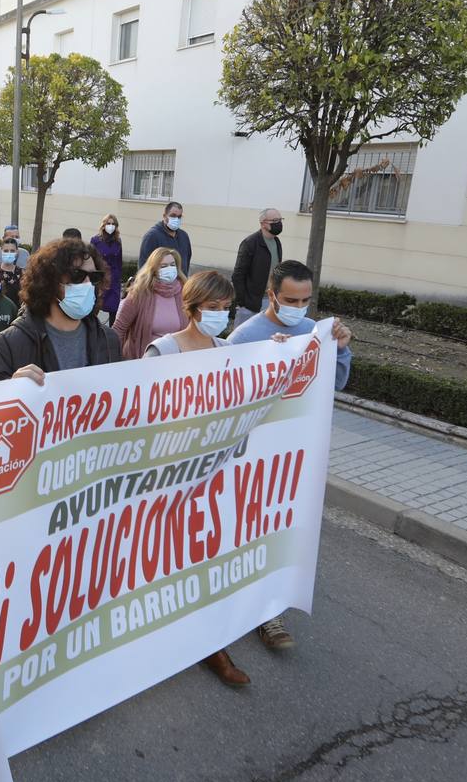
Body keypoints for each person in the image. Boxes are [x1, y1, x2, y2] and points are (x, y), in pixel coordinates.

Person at [228, 259, 353, 651]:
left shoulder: (314, 333)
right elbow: (227, 395)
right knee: (241, 532)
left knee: (275, 532)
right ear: (271, 295)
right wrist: (268, 361)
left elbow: (334, 383)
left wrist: (341, 350)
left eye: (305, 300)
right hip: (248, 457)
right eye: (290, 299)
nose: (298, 307)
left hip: (290, 462)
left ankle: (269, 609)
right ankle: (230, 603)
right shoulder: (246, 336)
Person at [139, 271, 252, 685]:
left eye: (226, 309)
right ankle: (152, 638)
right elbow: (139, 412)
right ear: (192, 307)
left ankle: (212, 646)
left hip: (213, 478)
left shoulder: (227, 349)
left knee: (207, 561)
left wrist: (282, 356)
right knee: (159, 562)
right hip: (165, 478)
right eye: (213, 308)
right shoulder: (162, 352)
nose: (220, 316)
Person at [0, 238, 122, 385]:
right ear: (49, 281)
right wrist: (11, 388)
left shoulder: (109, 340)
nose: (88, 284)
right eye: (77, 276)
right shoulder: (9, 343)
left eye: (94, 277)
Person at [112, 248, 187, 361]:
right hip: (141, 361)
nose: (169, 269)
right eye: (163, 266)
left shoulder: (184, 292)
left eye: (172, 264)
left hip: (174, 363)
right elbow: (118, 329)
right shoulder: (139, 293)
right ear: (154, 269)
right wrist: (115, 361)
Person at [230, 208, 284, 327]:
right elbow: (238, 275)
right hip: (250, 304)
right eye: (275, 220)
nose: (279, 223)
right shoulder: (250, 243)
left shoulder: (277, 242)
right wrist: (243, 302)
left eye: (280, 220)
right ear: (263, 223)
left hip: (269, 301)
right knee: (242, 341)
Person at [138, 201, 192, 275]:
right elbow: (143, 267)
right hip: (159, 285)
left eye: (179, 217)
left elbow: (187, 262)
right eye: (173, 216)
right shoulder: (152, 236)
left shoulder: (184, 236)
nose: (176, 219)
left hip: (180, 285)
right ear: (164, 216)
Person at [90, 214, 124, 320]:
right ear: (104, 225)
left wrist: (119, 277)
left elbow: (119, 261)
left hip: (114, 279)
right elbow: (91, 260)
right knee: (95, 306)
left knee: (114, 309)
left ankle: (112, 332)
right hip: (100, 278)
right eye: (108, 223)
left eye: (113, 224)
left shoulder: (118, 241)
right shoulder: (95, 240)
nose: (111, 226)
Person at [0, 237, 23, 306]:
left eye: (12, 251)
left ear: (17, 251)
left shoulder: (22, 273)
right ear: (1, 251)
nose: (9, 253)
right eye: (6, 251)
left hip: (17, 313)